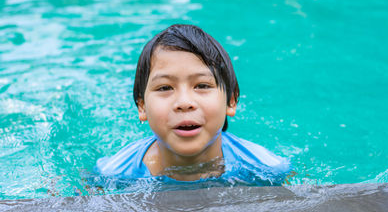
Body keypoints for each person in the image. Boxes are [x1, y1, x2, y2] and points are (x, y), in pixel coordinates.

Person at [94, 24, 291, 186]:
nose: (184, 103)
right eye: (164, 88)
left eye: (202, 85)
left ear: (231, 101)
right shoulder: (114, 173)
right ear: (142, 107)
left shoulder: (267, 168)